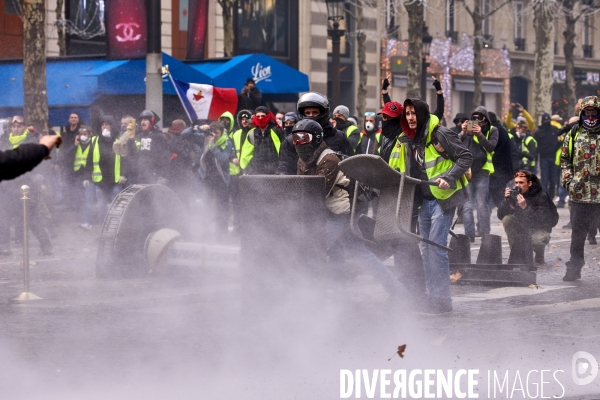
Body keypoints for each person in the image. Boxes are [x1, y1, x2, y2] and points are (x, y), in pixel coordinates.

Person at [292, 119, 407, 302]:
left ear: (315, 138)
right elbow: (300, 188)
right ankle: (398, 291)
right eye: (295, 138)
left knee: (314, 250)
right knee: (362, 254)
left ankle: (306, 297)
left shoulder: (328, 159)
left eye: (303, 137)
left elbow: (317, 192)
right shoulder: (304, 159)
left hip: (338, 214)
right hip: (329, 213)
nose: (299, 143)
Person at [393, 99, 473, 314]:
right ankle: (432, 296)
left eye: (413, 113)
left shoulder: (441, 133)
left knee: (436, 248)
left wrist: (449, 177)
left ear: (422, 114)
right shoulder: (407, 139)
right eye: (407, 114)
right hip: (423, 201)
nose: (410, 118)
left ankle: (441, 300)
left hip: (444, 199)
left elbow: (465, 156)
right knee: (426, 249)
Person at [0, 116, 56, 256]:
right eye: (13, 126)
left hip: (27, 185)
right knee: (4, 216)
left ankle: (46, 244)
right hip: (8, 185)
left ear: (24, 127)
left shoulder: (31, 141)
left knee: (30, 218)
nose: (16, 128)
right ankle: (5, 246)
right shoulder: (4, 140)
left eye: (19, 126)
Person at [561, 96, 600, 281]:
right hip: (580, 194)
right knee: (578, 236)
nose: (591, 115)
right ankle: (574, 267)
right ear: (582, 112)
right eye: (587, 112)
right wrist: (569, 181)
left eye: (594, 111)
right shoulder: (574, 133)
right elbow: (565, 160)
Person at [497, 170, 558, 265]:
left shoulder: (541, 195)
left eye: (521, 183)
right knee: (507, 219)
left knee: (537, 241)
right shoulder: (515, 193)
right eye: (516, 182)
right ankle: (517, 254)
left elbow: (542, 220)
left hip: (539, 229)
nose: (518, 185)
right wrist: (506, 200)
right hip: (522, 224)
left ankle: (539, 252)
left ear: (529, 183)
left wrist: (525, 207)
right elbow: (500, 215)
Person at [78, 118, 128, 230]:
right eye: (103, 125)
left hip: (115, 180)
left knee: (117, 206)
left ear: (111, 126)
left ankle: (116, 228)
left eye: (107, 124)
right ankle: (104, 228)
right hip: (100, 181)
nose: (104, 127)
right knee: (102, 206)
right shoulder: (94, 141)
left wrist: (123, 174)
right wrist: (86, 177)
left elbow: (125, 160)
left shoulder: (118, 141)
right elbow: (89, 161)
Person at [459, 107, 498, 240]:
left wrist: (480, 134)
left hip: (482, 171)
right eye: (475, 119)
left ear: (486, 119)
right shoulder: (468, 130)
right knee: (467, 204)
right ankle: (469, 235)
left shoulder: (492, 130)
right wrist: (463, 132)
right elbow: (455, 145)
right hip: (467, 170)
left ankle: (484, 233)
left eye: (480, 119)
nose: (477, 122)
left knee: (482, 204)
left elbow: (491, 146)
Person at [197, 122, 234, 236]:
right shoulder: (205, 138)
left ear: (222, 133)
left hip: (221, 178)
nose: (214, 135)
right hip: (207, 176)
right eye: (212, 132)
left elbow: (223, 160)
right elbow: (185, 134)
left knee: (222, 205)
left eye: (217, 133)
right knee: (205, 203)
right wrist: (199, 128)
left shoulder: (227, 143)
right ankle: (205, 230)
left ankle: (222, 231)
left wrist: (212, 146)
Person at [240, 106, 284, 175]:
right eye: (258, 116)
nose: (260, 118)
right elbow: (246, 155)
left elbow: (284, 152)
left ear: (268, 116)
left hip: (275, 173)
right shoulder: (251, 133)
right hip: (256, 173)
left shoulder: (277, 131)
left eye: (263, 116)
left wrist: (281, 170)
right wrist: (246, 170)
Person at [488, 111, 515, 207]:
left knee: (498, 198)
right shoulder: (500, 129)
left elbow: (490, 148)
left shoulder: (495, 131)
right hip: (501, 170)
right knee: (495, 198)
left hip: (498, 171)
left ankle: (508, 217)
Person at [135, 110, 171, 184]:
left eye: (145, 120)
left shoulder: (158, 136)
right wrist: (130, 138)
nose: (142, 122)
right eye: (141, 120)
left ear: (151, 121)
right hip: (141, 175)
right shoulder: (139, 136)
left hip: (155, 175)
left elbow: (164, 157)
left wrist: (163, 175)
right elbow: (133, 153)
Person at [535, 113, 561, 200]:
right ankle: (545, 198)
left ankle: (551, 197)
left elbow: (560, 141)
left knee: (553, 180)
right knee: (545, 179)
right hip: (544, 157)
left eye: (548, 120)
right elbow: (536, 144)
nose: (546, 122)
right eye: (545, 120)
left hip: (553, 157)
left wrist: (556, 146)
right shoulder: (539, 132)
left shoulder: (554, 130)